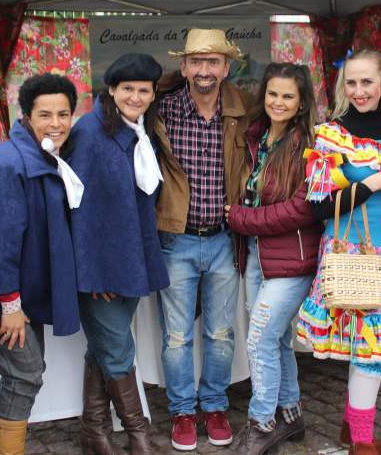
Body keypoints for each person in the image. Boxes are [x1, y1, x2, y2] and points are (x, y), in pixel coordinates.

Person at [296, 49, 381, 455]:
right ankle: (362, 445)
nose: (359, 91)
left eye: (367, 81)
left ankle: (354, 434)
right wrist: (374, 183)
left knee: (371, 352)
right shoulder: (331, 135)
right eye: (351, 82)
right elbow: (318, 206)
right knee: (371, 352)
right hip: (351, 256)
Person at [0, 73, 83, 455]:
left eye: (64, 114)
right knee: (26, 372)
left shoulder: (45, 156)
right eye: (45, 115)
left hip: (17, 295)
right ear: (26, 116)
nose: (56, 124)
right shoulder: (6, 164)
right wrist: (10, 304)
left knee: (24, 371)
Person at [155, 28, 253, 451]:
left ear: (227, 67)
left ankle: (214, 405)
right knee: (177, 336)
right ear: (183, 67)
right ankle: (181, 411)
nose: (205, 70)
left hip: (222, 240)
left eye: (213, 61)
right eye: (197, 61)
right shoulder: (164, 110)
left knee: (220, 333)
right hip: (176, 239)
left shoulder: (243, 109)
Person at [67, 54, 170, 455]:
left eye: (144, 90)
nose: (136, 96)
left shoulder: (142, 130)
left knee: (103, 346)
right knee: (117, 348)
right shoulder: (89, 133)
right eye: (127, 88)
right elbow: (76, 211)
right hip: (100, 269)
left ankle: (93, 430)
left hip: (131, 260)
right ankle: (138, 434)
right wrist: (95, 274)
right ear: (111, 90)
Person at [223, 63, 323, 455]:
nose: (278, 102)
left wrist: (239, 218)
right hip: (256, 259)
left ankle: (261, 422)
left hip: (293, 262)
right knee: (278, 339)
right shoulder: (256, 138)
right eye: (272, 94)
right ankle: (291, 413)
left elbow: (302, 209)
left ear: (300, 103)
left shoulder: (310, 144)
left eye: (287, 96)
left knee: (260, 339)